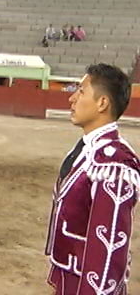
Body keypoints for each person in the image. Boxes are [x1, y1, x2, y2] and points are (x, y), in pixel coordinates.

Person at [45, 64, 138, 294]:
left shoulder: (113, 162)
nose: (72, 99)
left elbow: (108, 251)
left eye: (81, 91)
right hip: (70, 278)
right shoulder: (87, 150)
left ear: (102, 103)